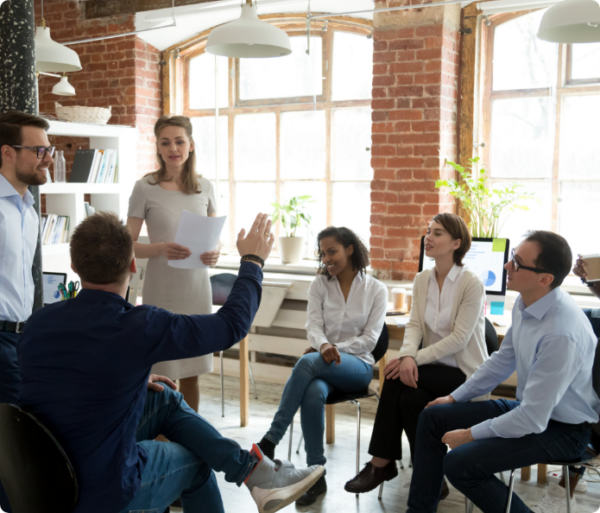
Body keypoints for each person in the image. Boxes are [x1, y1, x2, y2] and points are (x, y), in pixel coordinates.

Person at [17, 212, 324, 513]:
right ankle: (256, 477)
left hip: (41, 476)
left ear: (74, 266)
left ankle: (255, 473)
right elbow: (231, 326)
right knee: (197, 461)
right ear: (133, 265)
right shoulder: (139, 326)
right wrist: (253, 262)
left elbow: (63, 383)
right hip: (100, 490)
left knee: (164, 399)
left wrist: (132, 379)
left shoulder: (37, 323)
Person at [405, 230, 600, 513]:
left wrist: (470, 434)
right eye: (511, 258)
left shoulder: (561, 333)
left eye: (517, 263)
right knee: (432, 417)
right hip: (532, 412)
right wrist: (454, 397)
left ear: (545, 279)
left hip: (565, 431)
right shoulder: (526, 302)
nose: (507, 267)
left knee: (459, 464)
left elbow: (533, 418)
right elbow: (501, 361)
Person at [345, 213, 489, 496]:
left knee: (396, 378)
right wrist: (408, 355)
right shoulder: (422, 279)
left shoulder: (471, 283)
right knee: (410, 400)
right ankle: (432, 476)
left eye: (437, 233)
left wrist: (412, 359)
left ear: (456, 243)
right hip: (429, 371)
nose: (429, 238)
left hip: (463, 375)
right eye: (428, 231)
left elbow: (459, 339)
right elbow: (414, 325)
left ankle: (381, 464)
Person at [256, 227, 388, 506]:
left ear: (349, 249)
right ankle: (316, 475)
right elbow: (313, 325)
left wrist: (331, 348)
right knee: (313, 391)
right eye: (323, 253)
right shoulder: (319, 284)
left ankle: (270, 439)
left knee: (306, 362)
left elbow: (370, 340)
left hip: (357, 367)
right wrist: (322, 345)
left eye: (332, 251)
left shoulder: (376, 289)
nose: (327, 258)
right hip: (322, 367)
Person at [127, 115, 221, 413]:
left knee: (193, 369)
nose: (173, 148)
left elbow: (215, 236)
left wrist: (215, 252)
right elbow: (126, 244)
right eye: (165, 142)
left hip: (196, 287)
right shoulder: (144, 187)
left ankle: (190, 438)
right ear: (157, 147)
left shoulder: (205, 186)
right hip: (161, 289)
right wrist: (159, 248)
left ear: (191, 145)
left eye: (179, 141)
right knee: (164, 369)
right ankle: (161, 438)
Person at [0, 111, 53, 513]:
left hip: (24, 336)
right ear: (7, 152)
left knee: (16, 442)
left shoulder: (29, 209)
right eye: (38, 150)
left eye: (47, 150)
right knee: (11, 444)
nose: (46, 158)